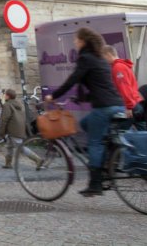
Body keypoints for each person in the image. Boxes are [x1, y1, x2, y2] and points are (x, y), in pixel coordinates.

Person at [46, 27, 124, 197]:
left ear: (83, 41)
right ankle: (107, 159)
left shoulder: (86, 58)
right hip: (117, 104)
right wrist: (82, 98)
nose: (75, 42)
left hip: (104, 107)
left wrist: (53, 96)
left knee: (94, 143)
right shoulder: (99, 58)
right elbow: (100, 85)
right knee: (85, 124)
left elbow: (72, 80)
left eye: (76, 39)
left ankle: (95, 184)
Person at [0, 89, 41, 169]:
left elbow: (4, 120)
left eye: (5, 95)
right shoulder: (18, 104)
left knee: (20, 147)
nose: (4, 96)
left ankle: (37, 159)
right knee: (9, 146)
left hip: (13, 129)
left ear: (8, 96)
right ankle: (8, 163)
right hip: (19, 128)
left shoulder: (7, 105)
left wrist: (1, 132)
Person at [101, 45, 143, 114]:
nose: (103, 60)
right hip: (135, 102)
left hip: (132, 105)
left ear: (108, 54)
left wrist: (129, 107)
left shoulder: (118, 67)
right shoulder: (122, 65)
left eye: (103, 57)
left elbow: (124, 87)